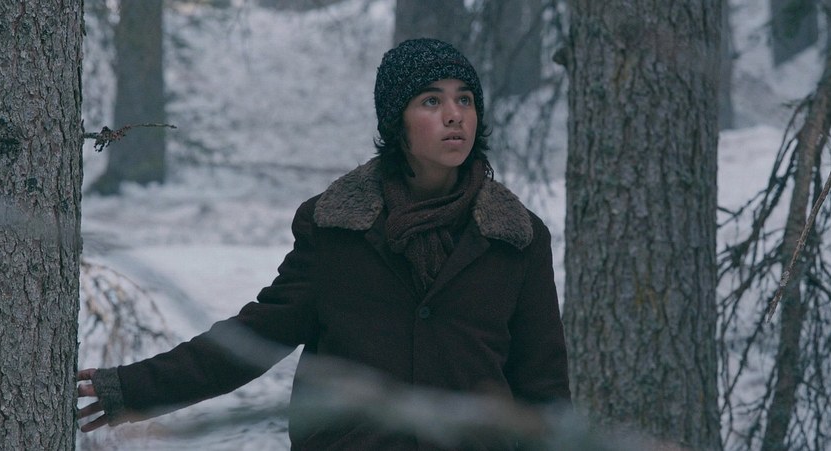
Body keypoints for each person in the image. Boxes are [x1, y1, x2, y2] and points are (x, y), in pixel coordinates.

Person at [77, 38, 570, 450]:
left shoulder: (516, 239)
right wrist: (132, 389)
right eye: (431, 101)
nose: (454, 116)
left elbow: (543, 389)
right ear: (395, 121)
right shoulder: (337, 230)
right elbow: (256, 338)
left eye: (465, 100)